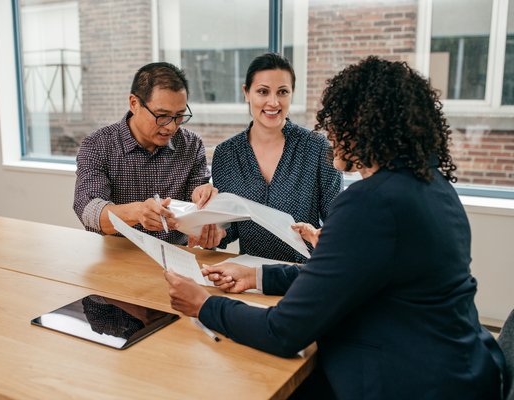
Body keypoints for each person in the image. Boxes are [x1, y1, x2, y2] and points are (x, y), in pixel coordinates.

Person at [164, 56, 505, 399]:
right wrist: (258, 276)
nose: (330, 131)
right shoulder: (432, 186)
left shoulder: (370, 202)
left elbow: (284, 332)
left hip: (411, 383)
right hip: (465, 369)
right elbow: (346, 276)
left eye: (336, 120)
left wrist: (205, 305)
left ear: (363, 125)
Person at [73, 62, 224, 248]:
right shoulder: (98, 145)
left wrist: (205, 207)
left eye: (179, 116)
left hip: (177, 258)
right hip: (118, 259)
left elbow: (196, 198)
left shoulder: (191, 145)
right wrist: (137, 212)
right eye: (162, 115)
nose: (171, 126)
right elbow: (88, 210)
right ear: (134, 103)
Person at [211, 53, 343, 263]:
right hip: (246, 274)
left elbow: (338, 223)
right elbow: (231, 229)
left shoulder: (317, 148)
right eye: (263, 91)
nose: (273, 102)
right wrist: (214, 234)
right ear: (246, 93)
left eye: (282, 92)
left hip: (304, 275)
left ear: (292, 94)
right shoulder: (226, 154)